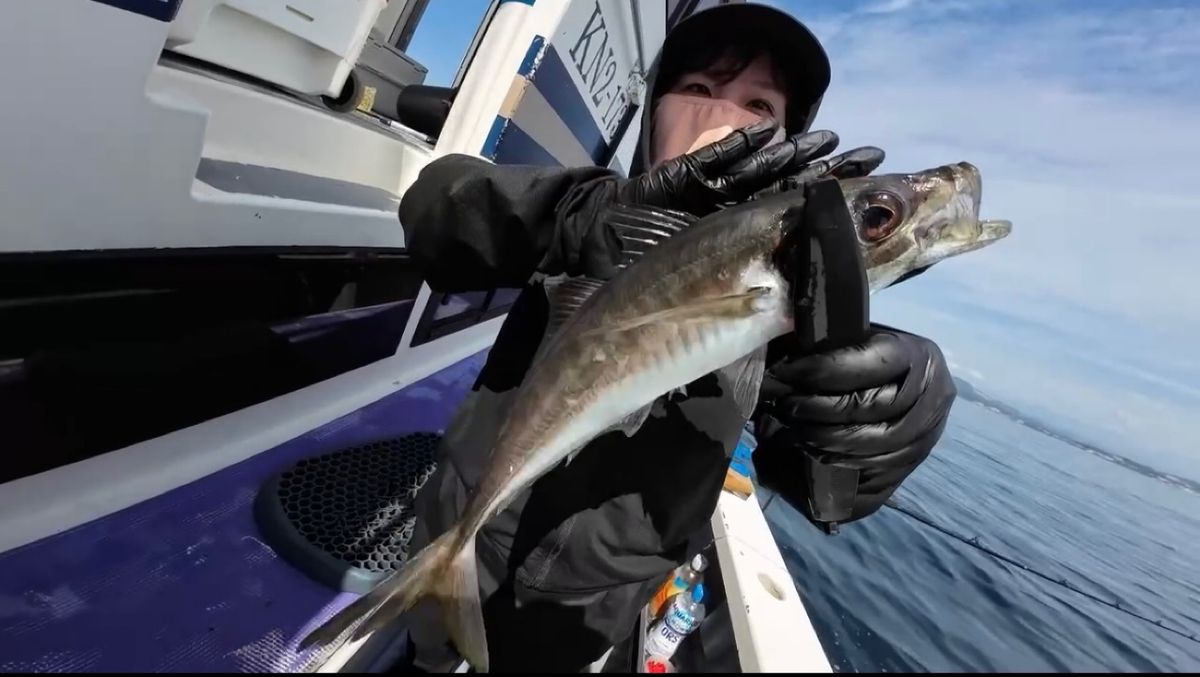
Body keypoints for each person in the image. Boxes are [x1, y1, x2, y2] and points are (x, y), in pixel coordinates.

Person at [394, 4, 956, 672]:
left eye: (758, 104)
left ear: (784, 145)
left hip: (580, 620)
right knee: (424, 655)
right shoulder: (591, 213)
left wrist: (888, 417)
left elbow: (816, 476)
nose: (723, 118)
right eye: (698, 90)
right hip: (456, 537)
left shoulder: (784, 312)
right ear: (654, 110)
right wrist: (584, 219)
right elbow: (434, 202)